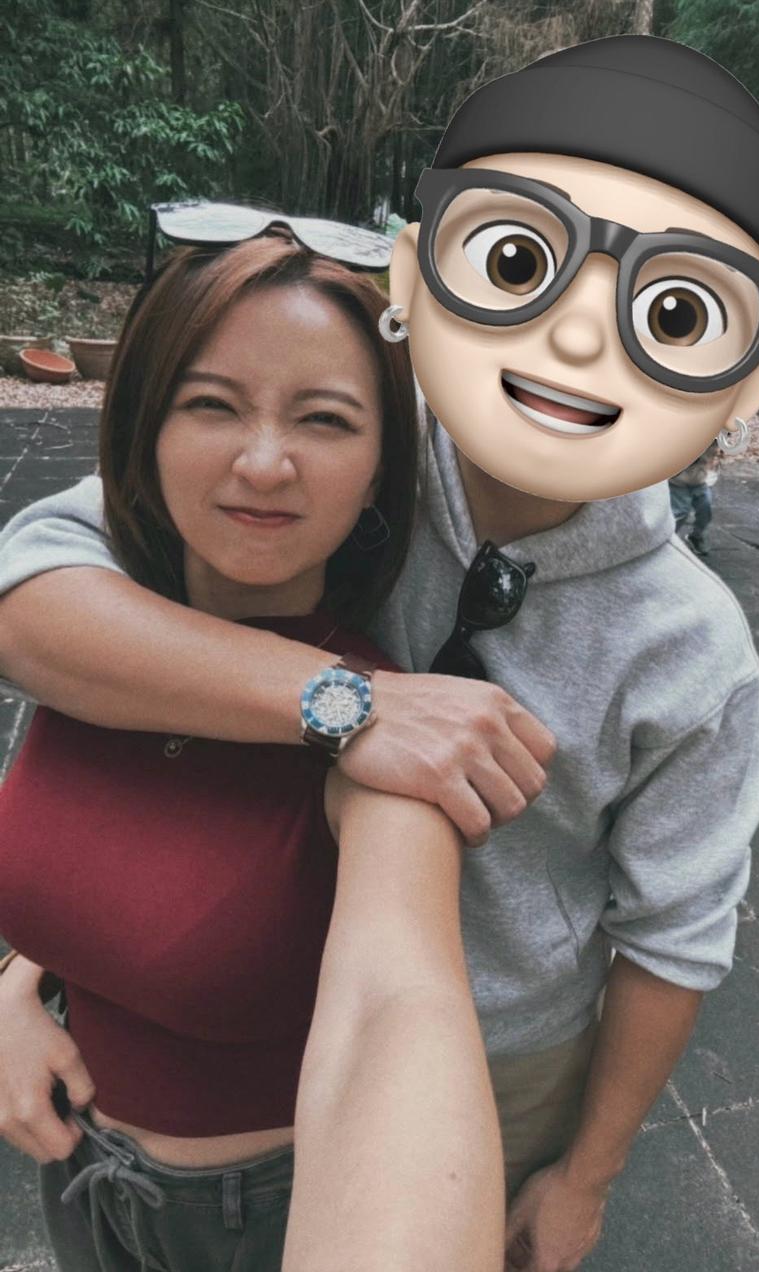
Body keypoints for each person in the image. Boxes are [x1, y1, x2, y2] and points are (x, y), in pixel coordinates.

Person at [0, 35, 759, 1270]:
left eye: (671, 311)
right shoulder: (349, 440)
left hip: (501, 1036)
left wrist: (587, 1173)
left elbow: (674, 936)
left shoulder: (690, 653)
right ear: (421, 280)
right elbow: (41, 581)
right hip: (256, 988)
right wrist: (350, 702)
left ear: (744, 384)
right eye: (521, 261)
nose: (575, 341)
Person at [0, 233, 505, 1271]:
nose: (264, 463)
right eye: (211, 404)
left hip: (252, 1218)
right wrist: (13, 989)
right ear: (143, 428)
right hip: (79, 1177)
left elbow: (396, 1006)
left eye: (325, 420)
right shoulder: (97, 647)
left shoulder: (389, 737)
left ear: (381, 468)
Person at [668, 440, 722, 557]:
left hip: (699, 482)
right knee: (681, 512)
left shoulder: (714, 442)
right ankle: (668, 538)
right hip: (678, 482)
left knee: (705, 508)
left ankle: (696, 536)